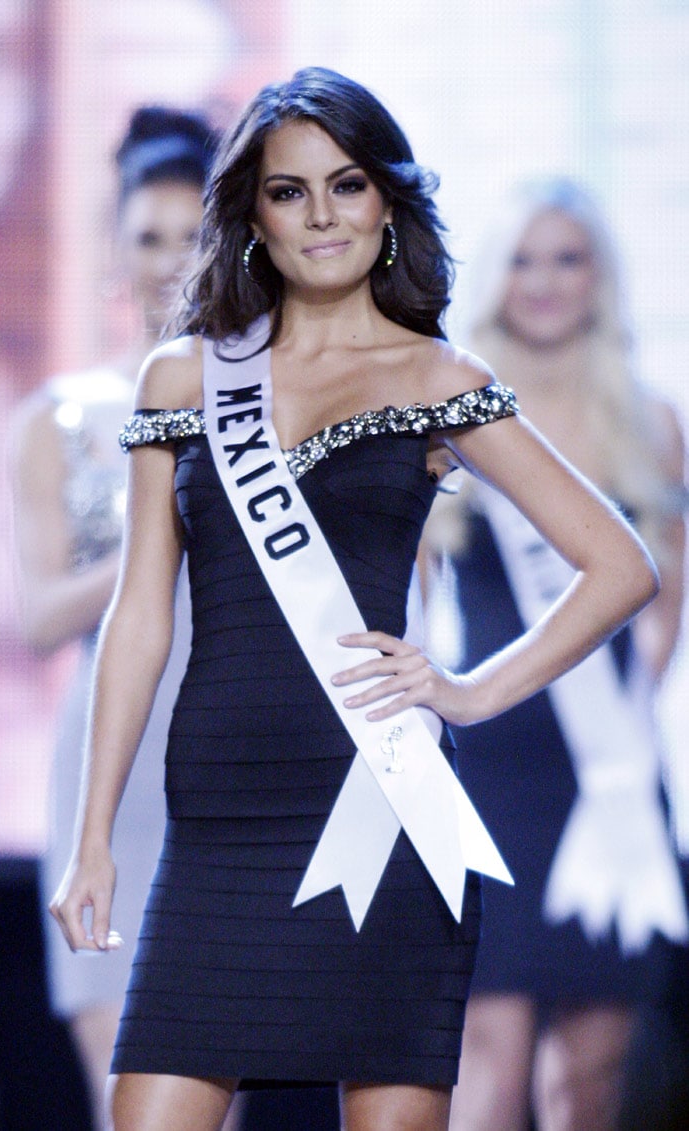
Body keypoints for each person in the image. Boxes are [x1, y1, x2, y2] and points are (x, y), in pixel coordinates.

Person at [49, 70, 658, 1131]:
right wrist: (93, 831)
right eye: (289, 192)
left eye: (347, 185)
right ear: (253, 212)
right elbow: (139, 618)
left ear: (387, 203)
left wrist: (465, 691)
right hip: (215, 830)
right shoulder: (183, 378)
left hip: (376, 807)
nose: (321, 216)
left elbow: (619, 563)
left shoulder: (435, 376)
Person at [419, 177, 687, 1131]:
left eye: (566, 257)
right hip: (486, 757)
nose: (543, 280)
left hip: (606, 770)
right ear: (496, 275)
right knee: (486, 1065)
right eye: (523, 258)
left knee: (591, 1075)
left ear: (599, 276)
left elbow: (667, 593)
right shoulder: (452, 412)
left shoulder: (650, 423)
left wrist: (630, 724)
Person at [11, 104, 216, 1128]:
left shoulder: (275, 406)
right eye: (149, 237)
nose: (171, 261)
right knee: (123, 1103)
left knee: (216, 1092)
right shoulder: (58, 419)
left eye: (194, 237)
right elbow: (38, 615)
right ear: (114, 247)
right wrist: (155, 519)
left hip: (237, 760)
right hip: (111, 766)